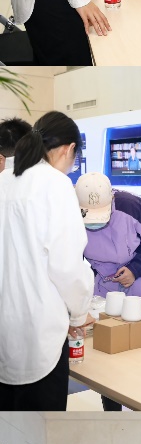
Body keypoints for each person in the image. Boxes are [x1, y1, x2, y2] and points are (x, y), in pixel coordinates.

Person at [0, 112, 93, 410]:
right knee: (42, 431)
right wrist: (79, 315)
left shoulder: (4, 181)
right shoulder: (55, 184)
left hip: (5, 331)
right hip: (40, 334)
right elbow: (67, 266)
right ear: (68, 149)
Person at [75, 172, 141, 410]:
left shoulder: (130, 206)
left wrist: (135, 269)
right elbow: (71, 258)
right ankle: (112, 413)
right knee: (108, 360)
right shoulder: (70, 212)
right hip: (103, 293)